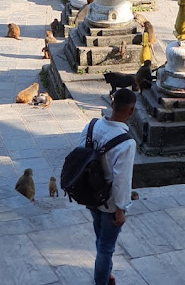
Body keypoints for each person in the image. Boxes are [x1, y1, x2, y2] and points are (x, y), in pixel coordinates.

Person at [77, 89, 137, 285]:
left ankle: (107, 272)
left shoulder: (91, 126)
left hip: (90, 195)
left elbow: (79, 156)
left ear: (112, 105)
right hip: (110, 202)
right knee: (106, 247)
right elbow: (122, 181)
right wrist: (120, 210)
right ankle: (101, 280)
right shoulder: (126, 143)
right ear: (131, 111)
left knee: (100, 237)